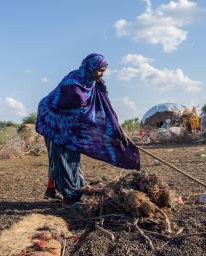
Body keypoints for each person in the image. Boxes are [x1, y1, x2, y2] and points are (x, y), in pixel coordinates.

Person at [35, 53, 140, 209]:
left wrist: (118, 130)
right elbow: (83, 112)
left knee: (68, 157)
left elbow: (106, 109)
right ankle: (69, 199)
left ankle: (59, 190)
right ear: (89, 68)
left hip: (69, 124)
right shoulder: (73, 84)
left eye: (103, 70)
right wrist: (106, 131)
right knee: (64, 158)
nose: (101, 74)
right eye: (99, 70)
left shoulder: (94, 84)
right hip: (53, 120)